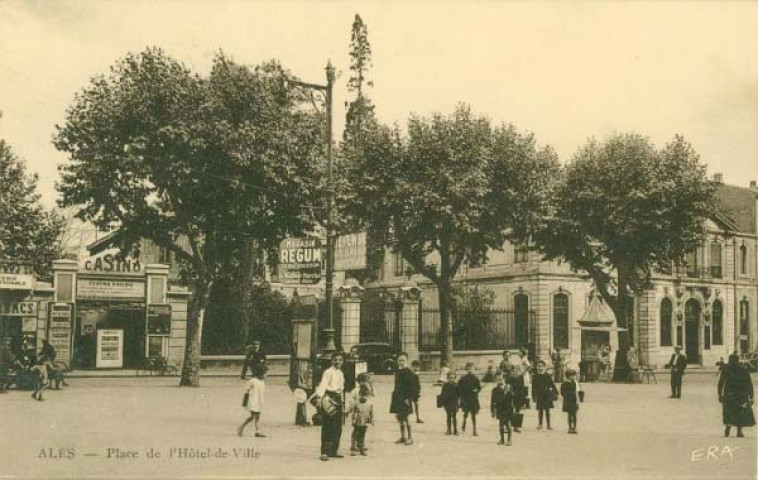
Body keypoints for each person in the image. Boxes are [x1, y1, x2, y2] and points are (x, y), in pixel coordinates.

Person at [315, 352, 345, 461]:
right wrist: (319, 398)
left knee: (337, 426)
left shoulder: (341, 373)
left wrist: (342, 403)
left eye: (340, 360)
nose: (338, 362)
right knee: (328, 424)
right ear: (332, 361)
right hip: (328, 398)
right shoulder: (328, 372)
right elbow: (323, 385)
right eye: (335, 359)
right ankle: (325, 452)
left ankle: (334, 450)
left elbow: (341, 389)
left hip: (338, 400)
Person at [718, 354, 755, 437]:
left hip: (729, 394)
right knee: (740, 412)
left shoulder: (726, 370)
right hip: (741, 395)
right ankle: (739, 431)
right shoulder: (743, 369)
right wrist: (751, 396)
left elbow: (720, 384)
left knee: (729, 412)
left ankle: (728, 427)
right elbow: (749, 384)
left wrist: (720, 395)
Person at [390, 353, 416, 445]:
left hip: (405, 397)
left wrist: (408, 398)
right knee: (400, 417)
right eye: (399, 360)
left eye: (403, 360)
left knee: (406, 417)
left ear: (407, 361)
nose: (401, 362)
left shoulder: (408, 371)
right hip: (398, 396)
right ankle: (403, 437)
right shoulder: (397, 371)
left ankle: (410, 437)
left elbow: (411, 386)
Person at [348, 373, 374, 456]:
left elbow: (371, 402)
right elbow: (351, 403)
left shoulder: (369, 390)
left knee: (363, 431)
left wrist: (371, 417)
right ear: (358, 382)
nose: (364, 383)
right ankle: (353, 446)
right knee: (356, 431)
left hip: (366, 414)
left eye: (366, 381)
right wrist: (349, 412)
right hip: (358, 415)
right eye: (362, 381)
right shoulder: (355, 391)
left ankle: (361, 445)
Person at [237, 363, 267, 438]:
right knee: (253, 416)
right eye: (265, 373)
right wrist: (246, 400)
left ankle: (256, 431)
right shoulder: (253, 381)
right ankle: (242, 427)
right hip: (253, 401)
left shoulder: (262, 381)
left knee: (256, 416)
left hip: (259, 401)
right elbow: (246, 389)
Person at [532, 360, 557, 430]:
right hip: (540, 395)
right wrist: (534, 396)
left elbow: (552, 384)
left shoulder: (547, 375)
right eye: (538, 366)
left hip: (547, 395)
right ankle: (540, 424)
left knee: (547, 410)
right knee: (540, 410)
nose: (540, 367)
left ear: (544, 367)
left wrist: (555, 392)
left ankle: (549, 425)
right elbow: (533, 387)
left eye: (541, 366)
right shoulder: (535, 376)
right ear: (537, 367)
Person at [490, 373, 515, 446]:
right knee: (501, 424)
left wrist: (508, 392)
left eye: (501, 379)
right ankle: (502, 439)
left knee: (507, 424)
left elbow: (512, 397)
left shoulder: (509, 387)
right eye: (497, 380)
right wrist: (492, 411)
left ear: (504, 379)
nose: (499, 381)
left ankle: (509, 440)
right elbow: (493, 401)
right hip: (500, 408)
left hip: (508, 408)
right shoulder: (495, 390)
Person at [458, 362, 481, 436]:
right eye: (468, 369)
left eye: (472, 368)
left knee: (473, 415)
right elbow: (459, 388)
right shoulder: (463, 378)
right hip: (465, 398)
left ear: (474, 369)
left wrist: (476, 390)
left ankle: (474, 430)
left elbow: (479, 387)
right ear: (466, 369)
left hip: (473, 398)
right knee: (465, 413)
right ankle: (464, 422)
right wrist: (461, 397)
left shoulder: (476, 378)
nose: (470, 370)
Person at [438, 370, 459, 435]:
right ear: (447, 378)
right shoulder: (445, 386)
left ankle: (455, 430)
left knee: (454, 417)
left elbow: (459, 394)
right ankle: (449, 429)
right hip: (447, 403)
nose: (451, 379)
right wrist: (442, 403)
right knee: (448, 416)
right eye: (450, 378)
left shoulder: (457, 386)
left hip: (454, 403)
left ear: (455, 378)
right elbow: (442, 394)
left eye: (453, 378)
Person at [561, 369, 581, 434]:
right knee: (569, 415)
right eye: (572, 376)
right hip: (568, 401)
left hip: (574, 400)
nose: (573, 377)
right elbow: (562, 392)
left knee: (574, 415)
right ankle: (570, 428)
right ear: (568, 376)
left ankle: (574, 427)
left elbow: (577, 392)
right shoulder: (564, 383)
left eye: (574, 376)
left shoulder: (575, 383)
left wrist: (578, 401)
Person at [506, 367, 526, 432]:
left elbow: (522, 388)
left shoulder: (521, 378)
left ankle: (516, 427)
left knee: (518, 411)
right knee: (510, 411)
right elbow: (507, 387)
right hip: (511, 396)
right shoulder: (509, 378)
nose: (515, 372)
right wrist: (510, 394)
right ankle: (508, 426)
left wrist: (524, 399)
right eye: (514, 371)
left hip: (519, 396)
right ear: (511, 372)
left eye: (517, 371)